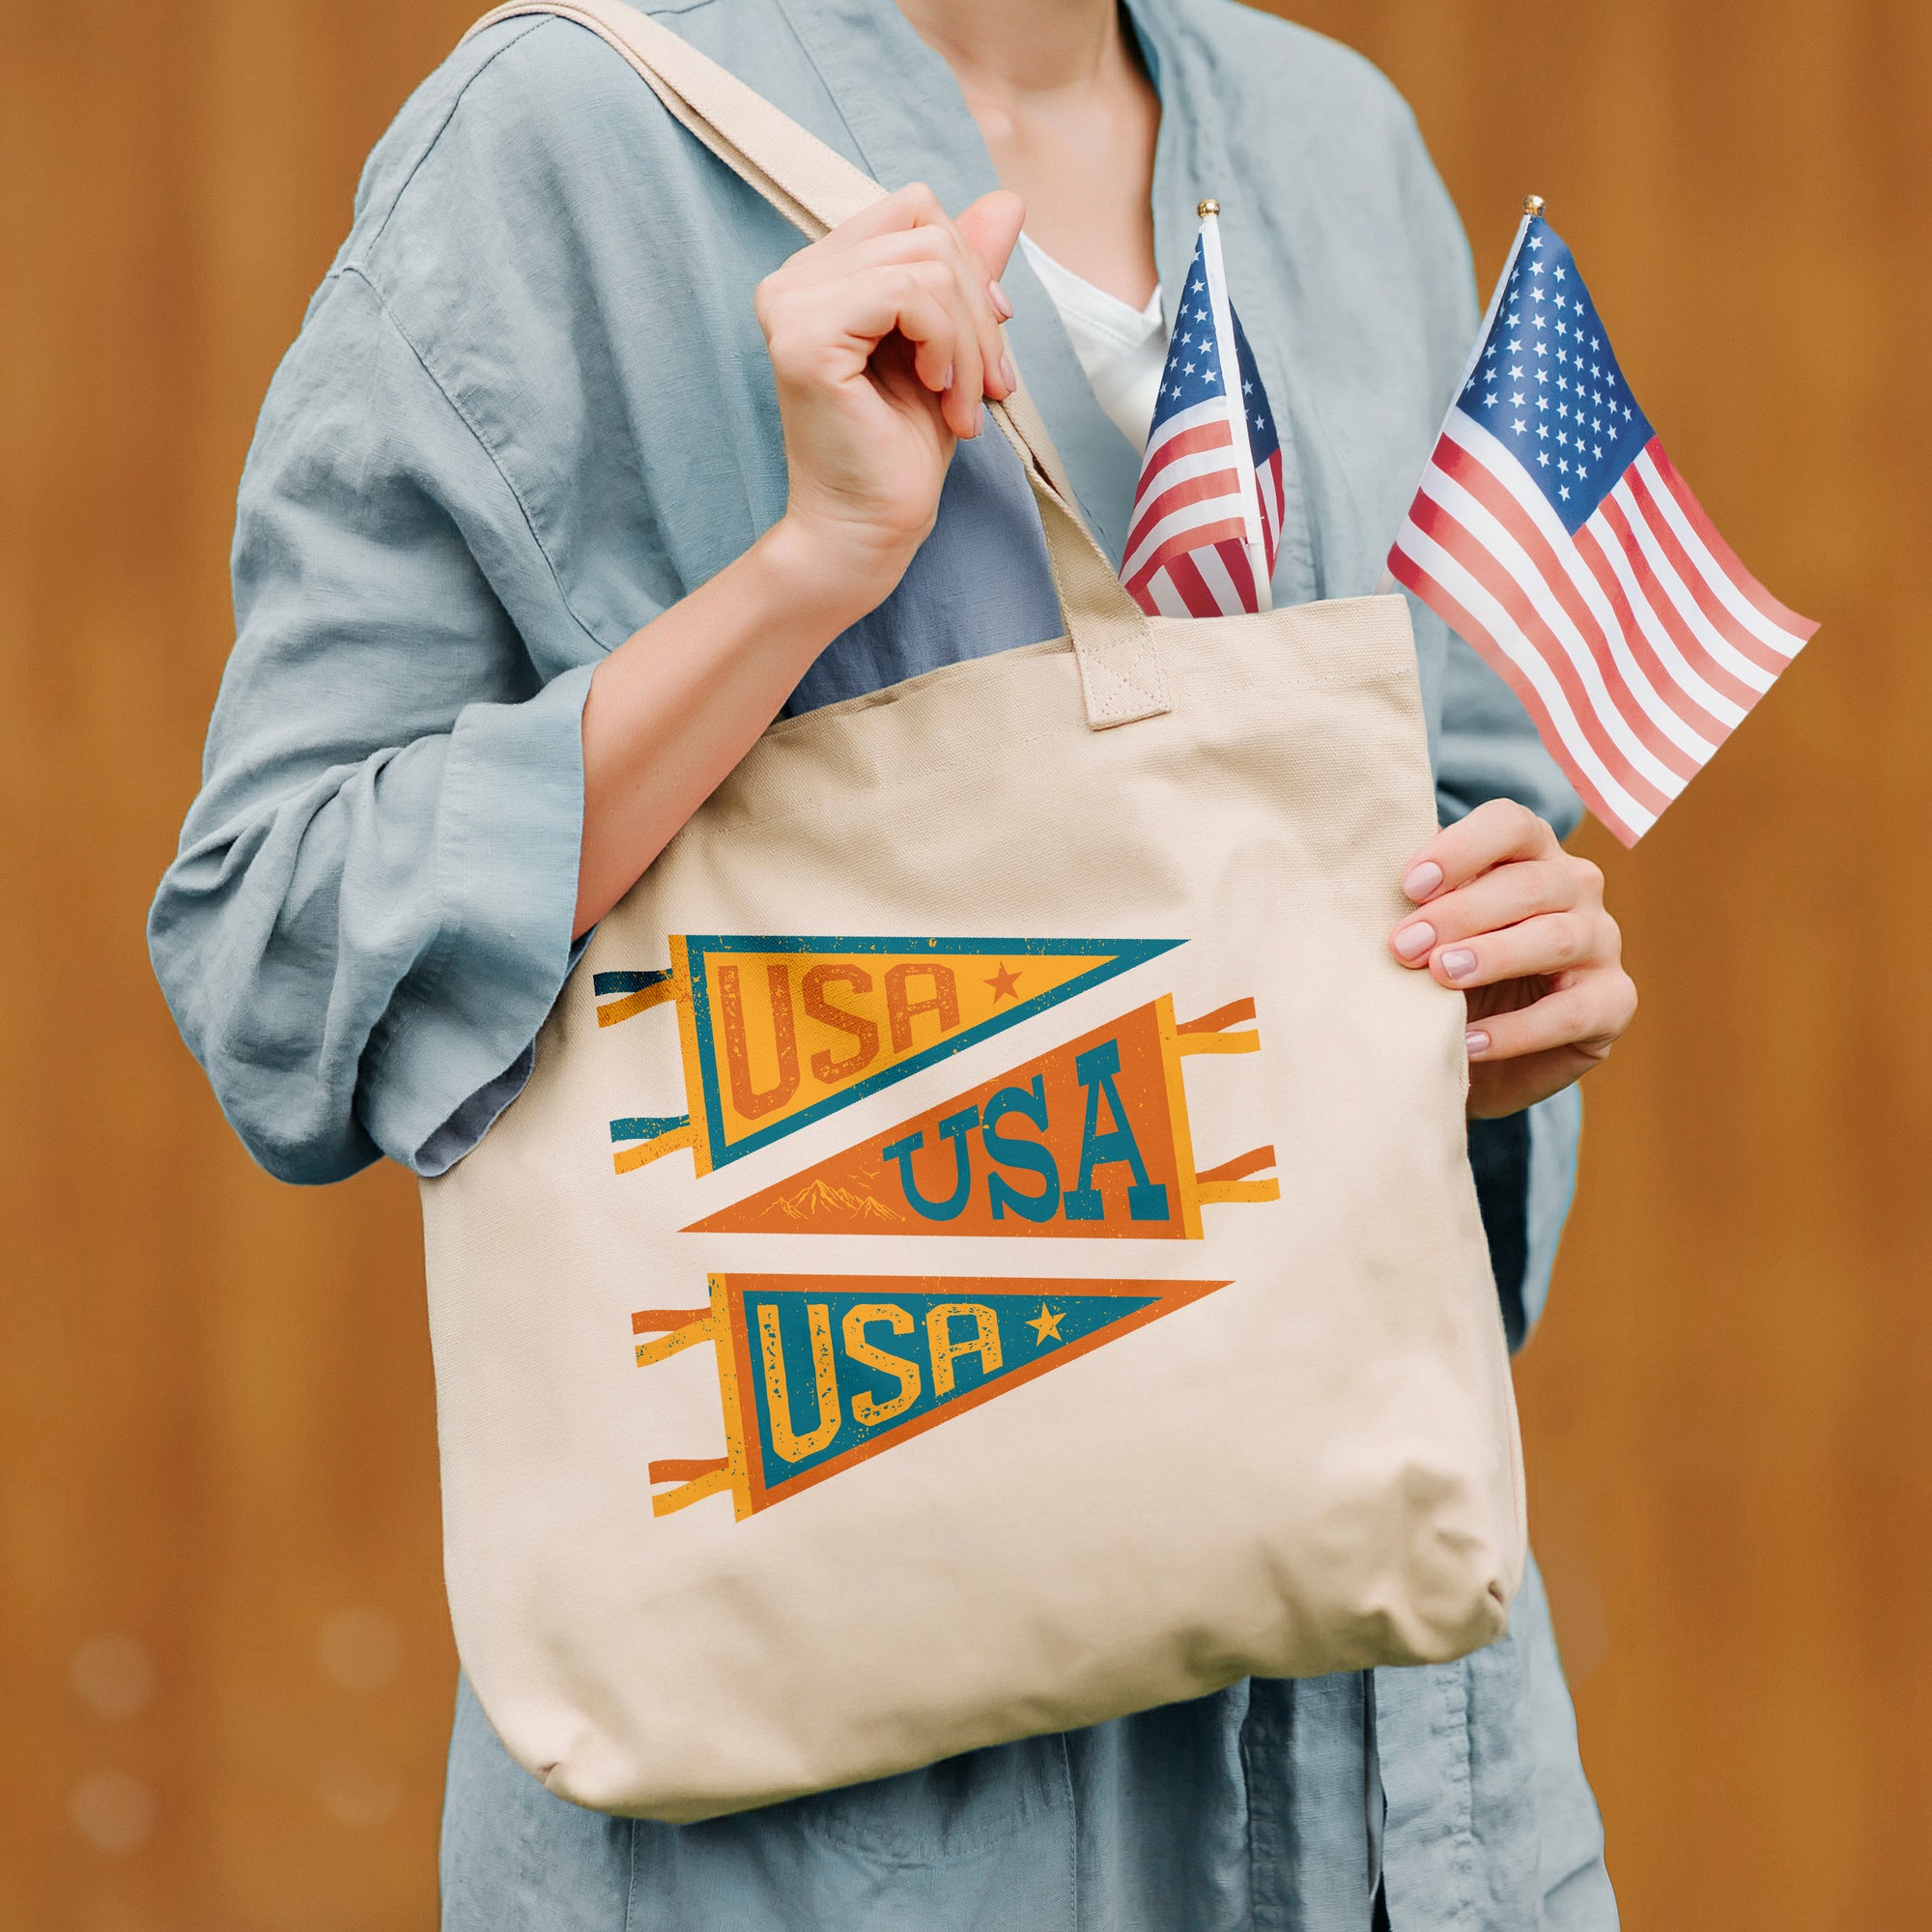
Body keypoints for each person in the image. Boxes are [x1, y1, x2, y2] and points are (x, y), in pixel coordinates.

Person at [150, 0, 1636, 1922]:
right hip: (830, 1821)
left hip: (1403, 1798)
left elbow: (1465, 810)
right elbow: (279, 952)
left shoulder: (1334, 142)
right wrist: (805, 575)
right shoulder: (558, 141)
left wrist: (1495, 996)